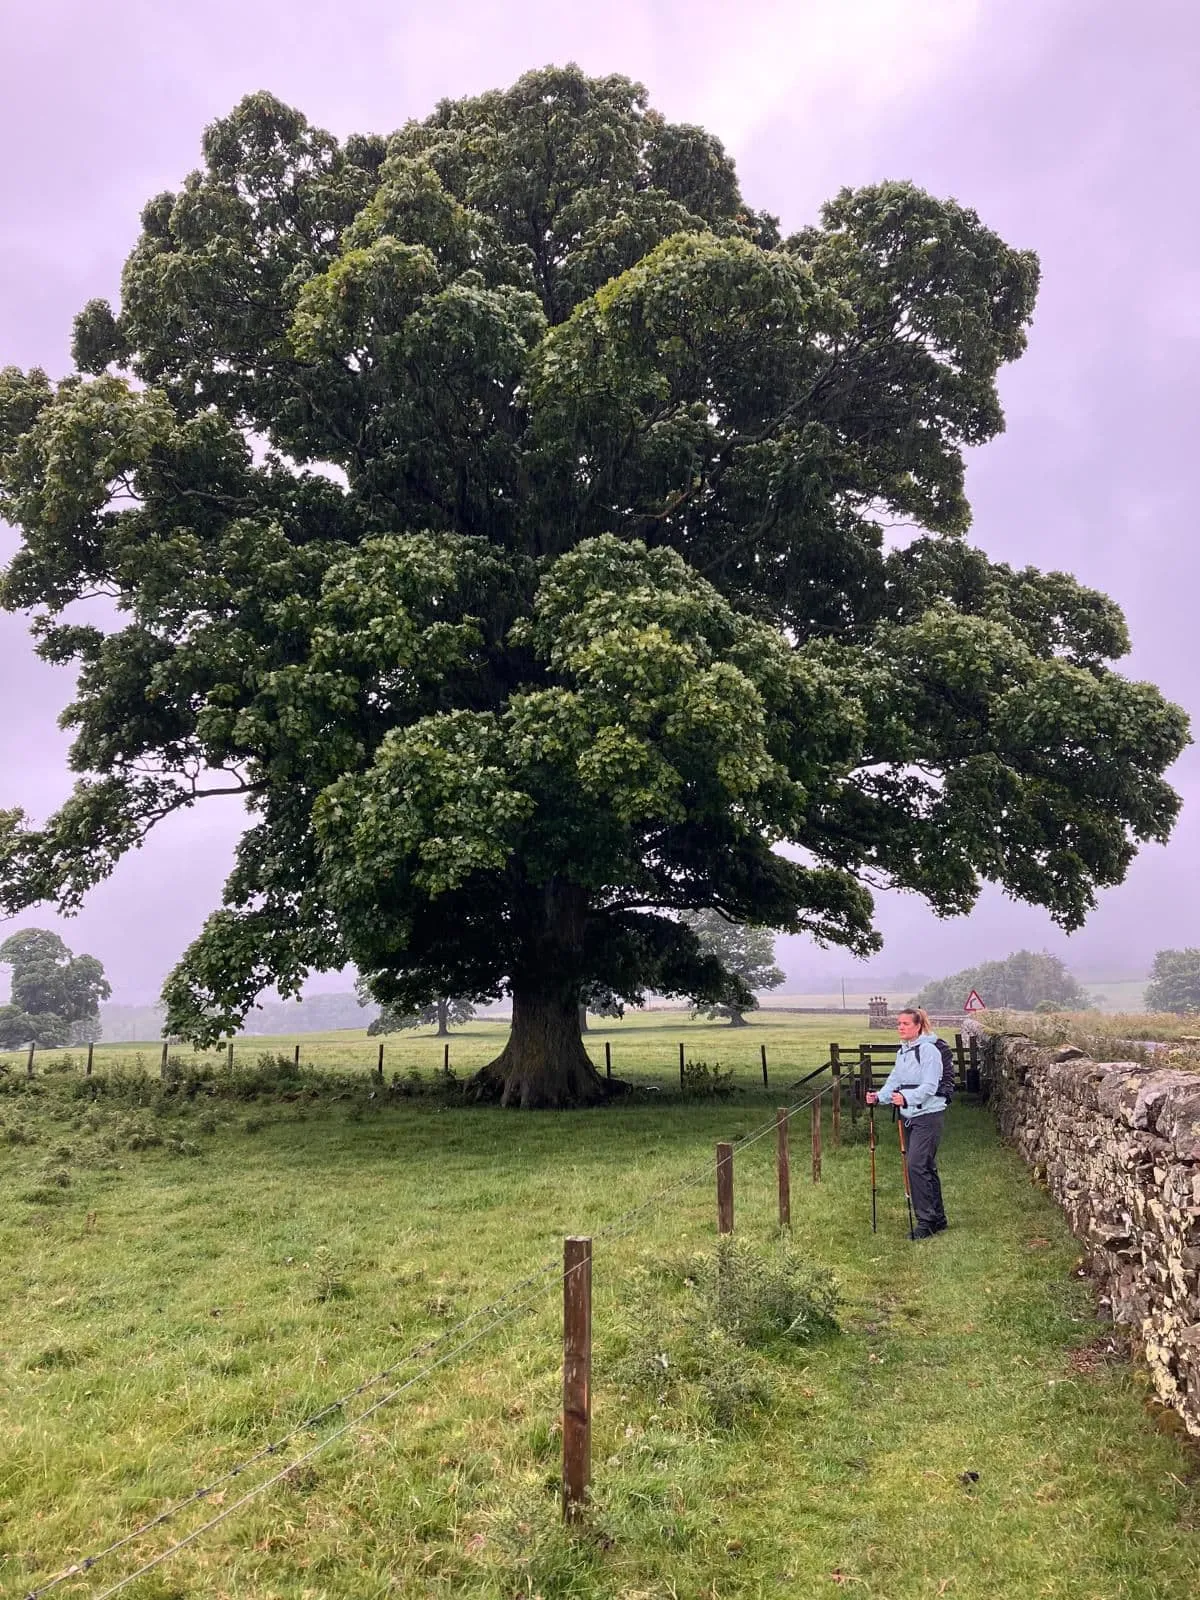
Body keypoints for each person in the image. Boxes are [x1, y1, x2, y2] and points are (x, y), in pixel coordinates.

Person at [865, 1006, 948, 1239]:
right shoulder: (903, 1052)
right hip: (909, 1115)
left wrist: (907, 1098)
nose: (900, 1027)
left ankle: (926, 1222)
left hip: (928, 1116)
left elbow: (930, 1086)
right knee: (926, 1166)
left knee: (915, 1165)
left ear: (918, 1026)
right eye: (899, 1024)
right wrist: (879, 1097)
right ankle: (938, 1218)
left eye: (906, 1024)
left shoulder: (929, 1051)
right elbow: (895, 1080)